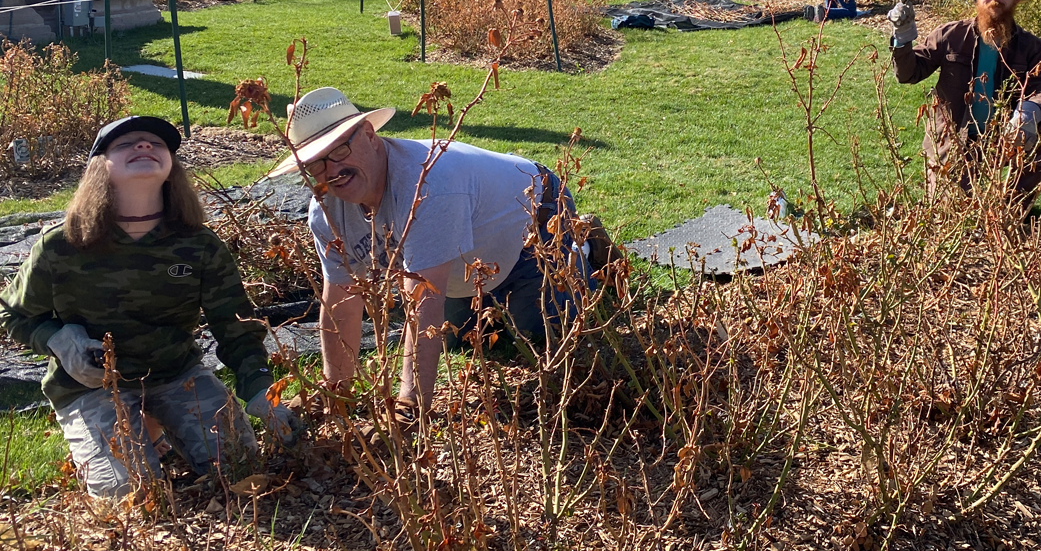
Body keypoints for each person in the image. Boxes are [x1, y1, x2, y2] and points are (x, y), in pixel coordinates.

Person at [0, 116, 299, 499]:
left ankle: (156, 428)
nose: (144, 147)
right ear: (99, 167)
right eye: (126, 144)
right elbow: (12, 313)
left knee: (240, 464)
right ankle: (124, 439)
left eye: (156, 144)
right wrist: (56, 338)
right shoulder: (62, 245)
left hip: (176, 374)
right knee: (131, 492)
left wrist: (259, 391)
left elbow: (236, 326)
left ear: (172, 167)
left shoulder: (199, 245)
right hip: (93, 387)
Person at [271, 87, 603, 413]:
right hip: (470, 264)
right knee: (454, 339)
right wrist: (335, 392)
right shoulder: (327, 212)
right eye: (315, 164)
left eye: (339, 151)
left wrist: (410, 406)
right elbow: (341, 300)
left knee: (540, 336)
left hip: (535, 222)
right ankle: (496, 298)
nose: (331, 171)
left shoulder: (426, 184)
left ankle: (586, 249)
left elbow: (423, 299)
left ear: (369, 135)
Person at [888, 0, 1041, 193]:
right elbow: (909, 74)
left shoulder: (1030, 46)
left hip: (1003, 135)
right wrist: (902, 39)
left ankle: (1013, 208)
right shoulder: (950, 35)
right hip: (956, 136)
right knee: (949, 211)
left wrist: (1027, 113)